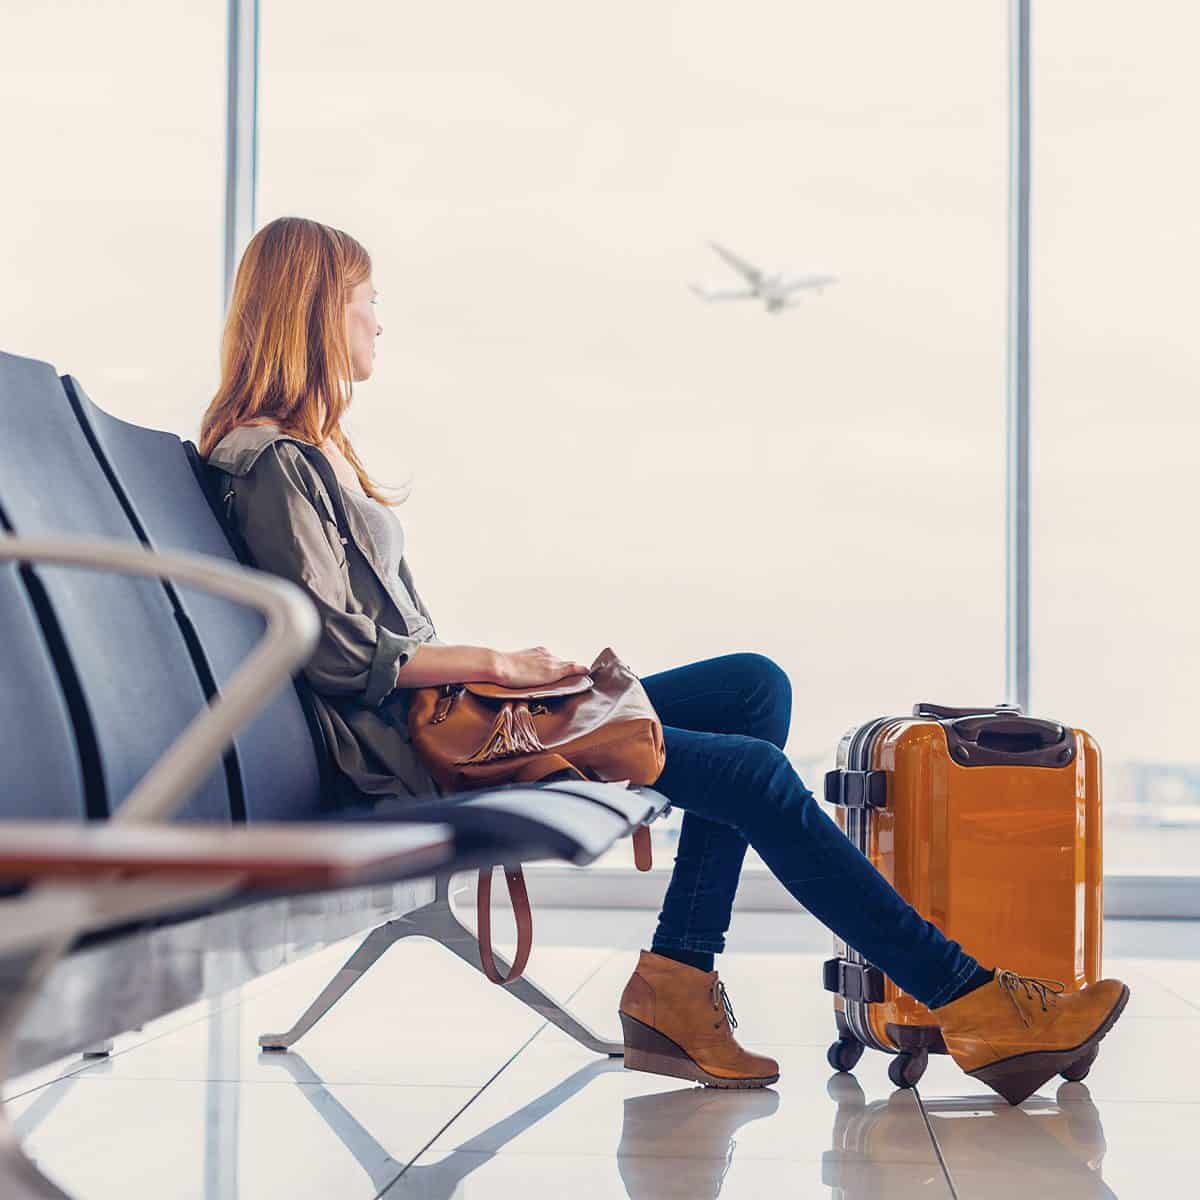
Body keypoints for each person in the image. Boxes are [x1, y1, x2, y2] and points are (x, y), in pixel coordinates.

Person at [200, 217, 1128, 1105]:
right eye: (365, 298)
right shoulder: (272, 462)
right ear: (317, 311)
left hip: (454, 721)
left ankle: (678, 979)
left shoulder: (307, 455)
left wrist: (507, 674)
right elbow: (335, 655)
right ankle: (974, 1003)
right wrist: (501, 665)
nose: (378, 318)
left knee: (751, 687)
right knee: (755, 772)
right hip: (415, 753)